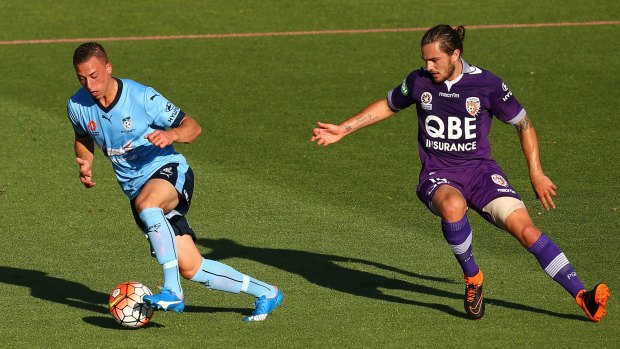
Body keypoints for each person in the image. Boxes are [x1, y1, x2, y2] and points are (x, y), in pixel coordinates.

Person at [310, 25, 609, 321]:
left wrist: (536, 172)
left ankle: (582, 296)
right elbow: (389, 105)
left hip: (481, 174)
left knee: (527, 230)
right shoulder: (419, 81)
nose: (427, 67)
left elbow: (524, 123)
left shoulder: (487, 84)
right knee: (453, 206)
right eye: (425, 59)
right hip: (438, 175)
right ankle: (473, 278)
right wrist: (344, 129)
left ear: (455, 54)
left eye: (434, 60)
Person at [67, 42, 282, 322]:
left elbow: (193, 127)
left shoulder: (142, 97)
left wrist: (171, 136)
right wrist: (86, 160)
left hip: (168, 171)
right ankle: (266, 292)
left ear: (108, 68)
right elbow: (82, 137)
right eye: (82, 78)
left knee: (149, 203)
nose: (90, 84)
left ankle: (172, 291)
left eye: (94, 76)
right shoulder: (77, 105)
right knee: (192, 267)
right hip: (136, 192)